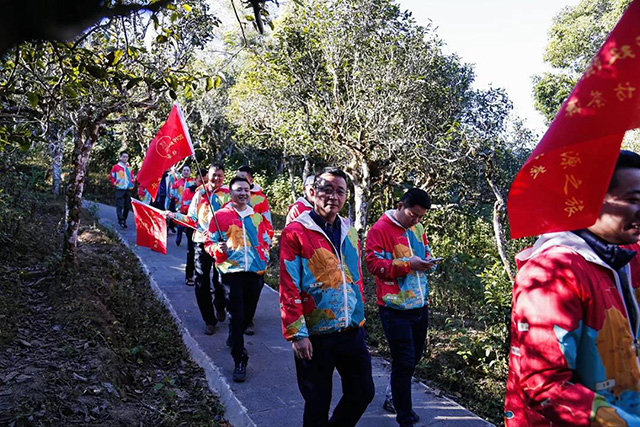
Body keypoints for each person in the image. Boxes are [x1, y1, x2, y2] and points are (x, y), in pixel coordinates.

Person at [504, 150, 640, 426]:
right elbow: (544, 385)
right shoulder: (552, 272)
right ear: (590, 201)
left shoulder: (622, 258)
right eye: (633, 200)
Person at [279, 167, 375, 427]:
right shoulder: (296, 232)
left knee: (363, 392)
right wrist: (297, 334)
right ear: (313, 193)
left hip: (351, 330)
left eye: (340, 191)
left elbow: (354, 278)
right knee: (317, 402)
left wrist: (359, 316)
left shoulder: (349, 230)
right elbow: (289, 285)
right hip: (315, 334)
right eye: (327, 189)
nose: (333, 196)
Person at [365, 188, 437, 427]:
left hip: (419, 303)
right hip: (393, 306)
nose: (415, 220)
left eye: (420, 217)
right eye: (412, 214)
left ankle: (392, 395)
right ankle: (404, 414)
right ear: (399, 205)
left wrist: (427, 262)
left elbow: (423, 253)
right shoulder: (380, 229)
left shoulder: (418, 229)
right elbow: (373, 264)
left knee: (415, 356)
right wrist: (407, 265)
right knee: (404, 359)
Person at [205, 176, 272, 382]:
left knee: (247, 313)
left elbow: (267, 240)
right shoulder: (220, 216)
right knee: (236, 315)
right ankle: (239, 359)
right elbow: (209, 242)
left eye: (246, 190)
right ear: (230, 193)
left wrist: (265, 256)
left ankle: (234, 337)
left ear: (250, 193)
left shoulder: (257, 218)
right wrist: (218, 248)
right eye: (238, 190)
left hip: (254, 273)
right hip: (230, 272)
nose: (242, 193)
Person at [170, 164, 229, 335]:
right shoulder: (199, 194)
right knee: (201, 282)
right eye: (213, 175)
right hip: (201, 242)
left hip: (220, 245)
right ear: (207, 176)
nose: (216, 178)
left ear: (224, 177)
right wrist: (175, 216)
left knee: (220, 282)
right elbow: (191, 218)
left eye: (219, 175)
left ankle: (220, 305)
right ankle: (209, 320)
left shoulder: (228, 195)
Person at [236, 165, 275, 335]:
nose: (240, 181)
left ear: (251, 180)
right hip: (236, 250)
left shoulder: (260, 199)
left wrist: (267, 243)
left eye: (244, 177)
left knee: (255, 285)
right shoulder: (231, 197)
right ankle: (236, 316)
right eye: (238, 177)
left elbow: (267, 222)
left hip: (257, 251)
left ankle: (249, 318)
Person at [179, 171, 204, 287]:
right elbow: (183, 207)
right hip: (192, 226)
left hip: (205, 228)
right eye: (200, 181)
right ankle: (189, 275)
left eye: (205, 181)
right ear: (196, 179)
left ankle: (204, 280)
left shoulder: (210, 193)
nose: (202, 184)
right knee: (192, 251)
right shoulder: (189, 190)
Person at [109, 150, 135, 228]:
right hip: (119, 188)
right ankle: (121, 220)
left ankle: (124, 219)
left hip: (128, 189)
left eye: (126, 157)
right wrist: (115, 183)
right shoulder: (116, 167)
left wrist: (132, 184)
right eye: (123, 157)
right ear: (120, 157)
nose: (125, 158)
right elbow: (111, 176)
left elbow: (132, 177)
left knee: (127, 206)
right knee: (119, 205)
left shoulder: (129, 168)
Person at [171, 165, 194, 246]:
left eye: (187, 170)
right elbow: (172, 192)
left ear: (190, 172)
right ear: (182, 172)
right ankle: (179, 236)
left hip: (190, 208)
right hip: (180, 207)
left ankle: (190, 244)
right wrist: (175, 198)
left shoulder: (193, 183)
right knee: (180, 226)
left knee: (190, 227)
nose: (186, 172)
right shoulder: (178, 182)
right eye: (184, 170)